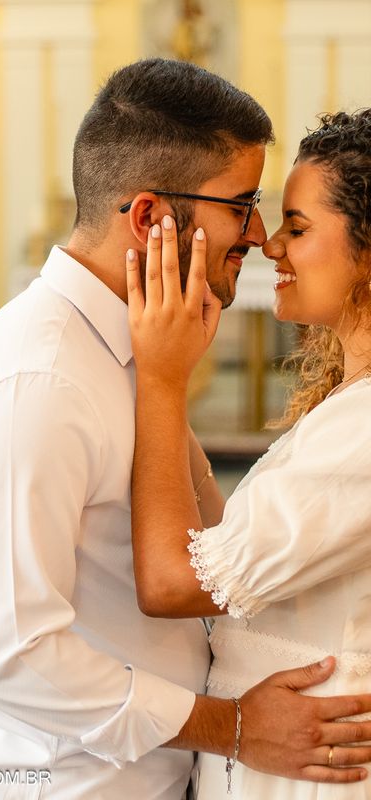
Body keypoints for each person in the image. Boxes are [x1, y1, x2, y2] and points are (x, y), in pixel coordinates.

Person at [0, 59, 371, 799]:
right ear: (148, 218)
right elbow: (4, 652)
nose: (259, 236)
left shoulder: (139, 349)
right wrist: (226, 726)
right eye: (243, 203)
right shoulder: (36, 380)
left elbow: (224, 557)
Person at [126, 107, 371, 798]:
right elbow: (230, 543)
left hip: (320, 765)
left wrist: (162, 382)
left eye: (297, 227)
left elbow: (174, 583)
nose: (270, 246)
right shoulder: (352, 406)